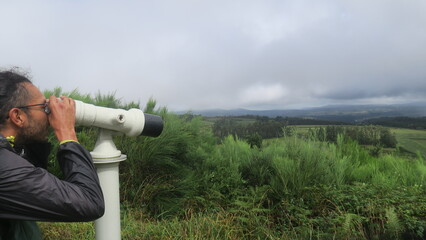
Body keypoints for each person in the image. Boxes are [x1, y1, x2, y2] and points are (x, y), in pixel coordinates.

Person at [0, 69, 105, 239]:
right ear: (17, 116)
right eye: (44, 107)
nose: (50, 113)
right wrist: (67, 133)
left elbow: (33, 168)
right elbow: (89, 202)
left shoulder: (9, 155)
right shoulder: (4, 167)